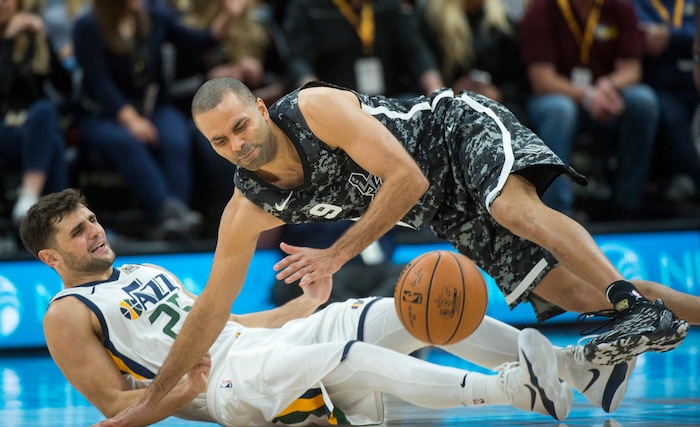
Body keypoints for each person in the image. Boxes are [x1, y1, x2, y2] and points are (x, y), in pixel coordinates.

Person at [101, 77, 695, 424]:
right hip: (441, 210)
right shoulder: (247, 205)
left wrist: (335, 255)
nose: (236, 144)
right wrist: (153, 396)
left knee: (513, 208)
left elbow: (405, 178)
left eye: (240, 127)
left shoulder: (314, 108)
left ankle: (629, 303)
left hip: (454, 132)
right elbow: (210, 306)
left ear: (259, 109)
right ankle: (655, 309)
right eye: (219, 141)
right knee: (568, 291)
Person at [22, 189, 640, 425]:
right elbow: (113, 407)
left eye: (92, 218)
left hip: (252, 347)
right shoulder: (65, 315)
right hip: (226, 388)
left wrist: (298, 308)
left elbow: (232, 324)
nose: (95, 232)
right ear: (52, 258)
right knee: (341, 356)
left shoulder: (147, 269)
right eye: (77, 232)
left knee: (403, 308)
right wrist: (183, 394)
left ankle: (574, 368)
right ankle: (515, 391)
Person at [70, 0, 236, 240]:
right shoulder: (86, 26)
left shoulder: (153, 17)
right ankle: (166, 211)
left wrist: (228, 15)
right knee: (127, 143)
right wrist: (132, 120)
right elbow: (99, 84)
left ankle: (177, 218)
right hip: (101, 113)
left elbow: (199, 41)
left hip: (153, 106)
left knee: (175, 137)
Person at [519, 0, 660, 218]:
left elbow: (631, 70)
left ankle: (628, 204)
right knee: (560, 110)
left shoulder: (621, 7)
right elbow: (542, 80)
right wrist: (588, 96)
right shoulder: (541, 9)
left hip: (605, 97)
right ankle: (556, 212)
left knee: (643, 100)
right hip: (554, 99)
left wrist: (607, 86)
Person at [0, 0, 73, 226]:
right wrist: (7, 42)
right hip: (3, 125)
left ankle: (30, 198)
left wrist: (45, 42)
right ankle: (62, 219)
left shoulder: (30, 37)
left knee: (45, 112)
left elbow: (66, 87)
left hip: (32, 126)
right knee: (52, 141)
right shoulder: (11, 39)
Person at [282, 0, 444, 97]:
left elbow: (415, 50)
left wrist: (436, 91)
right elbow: (299, 59)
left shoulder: (388, 5)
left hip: (389, 100)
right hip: (337, 103)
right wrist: (315, 95)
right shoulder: (308, 7)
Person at [416, 0, 529, 121]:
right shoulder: (431, 20)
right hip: (447, 101)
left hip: (497, 101)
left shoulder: (502, 22)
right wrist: (452, 90)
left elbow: (517, 79)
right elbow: (424, 72)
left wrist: (498, 93)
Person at [633, 0, 700, 203]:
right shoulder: (638, 3)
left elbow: (693, 35)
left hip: (692, 85)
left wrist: (669, 37)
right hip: (661, 85)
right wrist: (683, 40)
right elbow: (643, 37)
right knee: (672, 118)